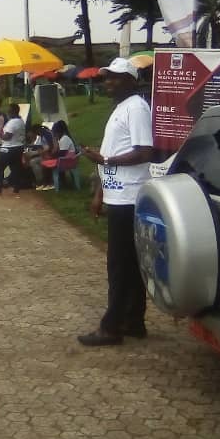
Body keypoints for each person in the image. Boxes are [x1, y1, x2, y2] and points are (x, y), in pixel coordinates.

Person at [78, 57, 154, 346]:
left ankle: (111, 327)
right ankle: (133, 320)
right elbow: (111, 155)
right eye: (107, 77)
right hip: (117, 194)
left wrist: (106, 159)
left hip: (130, 197)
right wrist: (100, 193)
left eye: (116, 77)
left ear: (131, 80)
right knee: (129, 263)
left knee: (119, 265)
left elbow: (144, 151)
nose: (108, 81)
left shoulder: (136, 108)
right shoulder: (121, 108)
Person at [0, 103, 25, 197]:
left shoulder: (12, 122)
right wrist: (1, 131)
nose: (7, 112)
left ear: (13, 111)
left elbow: (7, 137)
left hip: (8, 148)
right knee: (15, 168)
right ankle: (16, 189)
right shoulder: (21, 121)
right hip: (18, 147)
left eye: (9, 111)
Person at [25, 123, 58, 191]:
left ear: (38, 130)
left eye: (36, 133)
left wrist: (36, 153)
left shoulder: (47, 134)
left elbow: (50, 147)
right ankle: (41, 181)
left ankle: (42, 181)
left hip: (51, 155)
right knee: (33, 161)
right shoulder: (43, 134)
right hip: (46, 155)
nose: (37, 135)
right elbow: (43, 147)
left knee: (34, 162)